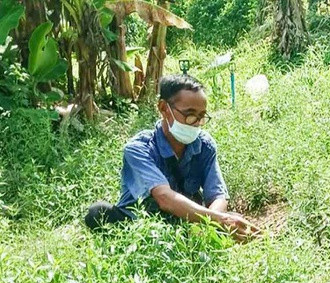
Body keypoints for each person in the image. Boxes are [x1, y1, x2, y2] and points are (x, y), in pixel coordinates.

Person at [85, 74, 259, 241]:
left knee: (234, 219)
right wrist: (219, 220)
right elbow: (164, 198)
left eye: (201, 116)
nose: (196, 123)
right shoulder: (139, 149)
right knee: (98, 213)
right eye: (190, 114)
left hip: (186, 218)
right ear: (163, 108)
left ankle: (192, 235)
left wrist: (214, 221)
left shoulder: (204, 145)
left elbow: (217, 195)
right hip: (140, 223)